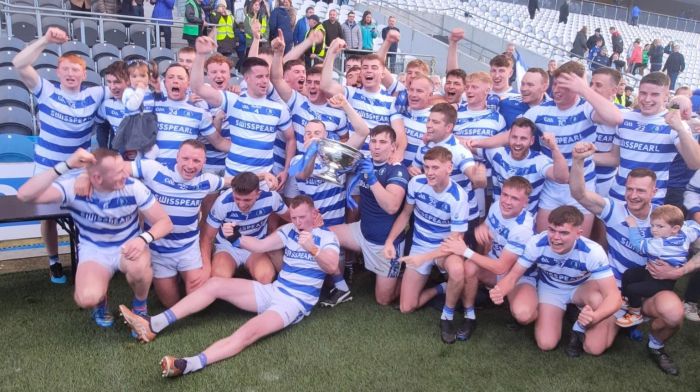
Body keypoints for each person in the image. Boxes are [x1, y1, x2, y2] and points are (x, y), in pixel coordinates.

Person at [121, 195, 339, 377]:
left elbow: (330, 266)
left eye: (302, 217)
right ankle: (154, 324)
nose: (298, 222)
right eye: (294, 217)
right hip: (275, 290)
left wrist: (312, 248)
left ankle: (190, 364)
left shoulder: (327, 237)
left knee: (247, 333)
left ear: (314, 213)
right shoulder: (290, 230)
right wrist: (235, 237)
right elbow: (260, 245)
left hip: (294, 303)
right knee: (215, 284)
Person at [570, 144, 700, 375]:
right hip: (615, 291)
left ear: (654, 191)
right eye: (630, 189)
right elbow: (580, 194)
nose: (633, 195)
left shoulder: (667, 219)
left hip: (651, 292)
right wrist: (578, 161)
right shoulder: (613, 210)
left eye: (640, 190)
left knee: (673, 313)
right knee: (592, 347)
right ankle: (622, 320)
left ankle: (655, 346)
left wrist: (680, 272)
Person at [18, 148, 173, 327]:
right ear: (98, 178)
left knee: (140, 269)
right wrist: (65, 166)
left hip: (128, 245)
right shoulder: (73, 187)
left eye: (124, 168)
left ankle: (140, 307)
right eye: (120, 171)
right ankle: (100, 300)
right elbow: (24, 195)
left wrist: (143, 239)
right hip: (94, 250)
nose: (126, 173)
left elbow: (165, 222)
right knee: (86, 298)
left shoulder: (133, 187)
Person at [12, 28, 107, 285]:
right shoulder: (47, 91)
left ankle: (90, 260)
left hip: (78, 171)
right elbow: (19, 63)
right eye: (65, 69)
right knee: (49, 217)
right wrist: (45, 40)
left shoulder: (95, 95)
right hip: (46, 168)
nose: (70, 73)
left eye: (76, 70)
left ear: (84, 74)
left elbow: (123, 91)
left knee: (86, 214)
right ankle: (54, 261)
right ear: (57, 72)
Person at [490, 206, 622, 357]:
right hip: (551, 288)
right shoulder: (537, 243)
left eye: (564, 233)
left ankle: (614, 321)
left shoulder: (593, 251)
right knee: (546, 343)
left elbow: (614, 297)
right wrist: (500, 290)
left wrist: (595, 317)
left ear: (578, 233)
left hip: (582, 288)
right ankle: (572, 313)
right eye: (552, 230)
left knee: (593, 348)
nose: (555, 237)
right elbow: (513, 276)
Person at [524, 61, 623, 236]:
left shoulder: (585, 108)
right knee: (543, 238)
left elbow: (616, 118)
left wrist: (585, 89)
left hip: (583, 186)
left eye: (564, 86)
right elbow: (513, 133)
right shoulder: (540, 111)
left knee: (578, 241)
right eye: (555, 84)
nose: (557, 90)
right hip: (552, 186)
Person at [384, 146, 469, 344]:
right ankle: (442, 287)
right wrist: (389, 241)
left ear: (449, 168)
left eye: (435, 167)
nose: (429, 172)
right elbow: (405, 214)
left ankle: (447, 316)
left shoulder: (458, 196)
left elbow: (455, 242)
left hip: (445, 248)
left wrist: (423, 258)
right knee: (406, 307)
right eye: (426, 166)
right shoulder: (416, 183)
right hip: (420, 245)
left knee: (457, 269)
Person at [191, 37, 295, 190]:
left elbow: (291, 139)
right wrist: (200, 55)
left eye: (266, 76)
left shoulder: (279, 109)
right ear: (246, 78)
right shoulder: (233, 101)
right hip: (234, 177)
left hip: (264, 181)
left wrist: (286, 171)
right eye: (259, 77)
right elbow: (198, 88)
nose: (264, 81)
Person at [445, 176, 538, 333]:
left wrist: (465, 251)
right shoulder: (496, 206)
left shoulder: (523, 228)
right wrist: (482, 229)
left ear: (525, 203)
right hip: (496, 262)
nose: (507, 201)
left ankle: (541, 306)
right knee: (469, 268)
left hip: (518, 276)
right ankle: (470, 315)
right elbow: (487, 235)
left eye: (514, 198)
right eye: (505, 195)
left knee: (523, 315)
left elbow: (501, 268)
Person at [329, 126, 409, 305]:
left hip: (386, 243)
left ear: (393, 147)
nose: (377, 146)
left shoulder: (397, 170)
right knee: (324, 235)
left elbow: (392, 206)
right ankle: (340, 286)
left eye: (382, 142)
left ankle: (408, 276)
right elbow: (337, 163)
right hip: (361, 233)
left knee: (383, 300)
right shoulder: (366, 162)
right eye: (373, 141)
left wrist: (372, 179)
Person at [594, 72, 700, 205]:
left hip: (650, 204)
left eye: (655, 94)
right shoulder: (625, 118)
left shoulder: (674, 123)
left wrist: (680, 128)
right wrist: (577, 157)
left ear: (666, 96)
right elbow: (614, 158)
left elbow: (695, 163)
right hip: (616, 198)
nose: (647, 99)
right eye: (643, 93)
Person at [321, 38, 406, 163]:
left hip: (377, 162)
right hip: (351, 159)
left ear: (382, 74)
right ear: (361, 73)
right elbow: (326, 86)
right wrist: (332, 53)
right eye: (365, 67)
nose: (369, 70)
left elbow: (399, 134)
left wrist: (398, 154)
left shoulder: (391, 101)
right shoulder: (351, 93)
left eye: (374, 67)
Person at [411, 103, 486, 240]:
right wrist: (412, 170)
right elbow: (414, 167)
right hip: (435, 215)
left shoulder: (458, 150)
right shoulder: (425, 143)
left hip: (463, 218)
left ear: (449, 127)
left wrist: (479, 177)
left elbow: (475, 178)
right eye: (428, 120)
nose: (428, 125)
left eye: (435, 122)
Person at [616, 205, 699, 327]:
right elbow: (695, 226)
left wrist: (633, 225)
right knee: (629, 274)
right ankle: (629, 300)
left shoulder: (660, 244)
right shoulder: (685, 233)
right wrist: (685, 224)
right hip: (653, 272)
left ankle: (635, 313)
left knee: (633, 289)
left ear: (675, 228)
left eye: (660, 226)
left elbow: (638, 244)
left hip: (662, 281)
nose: (654, 230)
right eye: (653, 225)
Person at [202, 171, 288, 282]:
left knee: (266, 277)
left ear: (258, 194)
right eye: (237, 199)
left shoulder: (271, 197)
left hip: (255, 245)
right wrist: (206, 267)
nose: (241, 204)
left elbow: (291, 218)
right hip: (227, 247)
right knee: (218, 277)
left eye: (247, 200)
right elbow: (207, 238)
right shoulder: (223, 202)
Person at [481, 118, 569, 215]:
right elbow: (469, 146)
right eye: (514, 137)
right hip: (495, 217)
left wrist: (554, 148)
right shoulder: (497, 154)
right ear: (508, 137)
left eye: (523, 138)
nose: (518, 142)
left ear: (532, 141)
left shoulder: (539, 161)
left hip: (524, 223)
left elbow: (562, 178)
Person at [96, 61, 129, 151]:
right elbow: (102, 126)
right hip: (120, 158)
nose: (112, 87)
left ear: (128, 81)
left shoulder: (143, 101)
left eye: (116, 82)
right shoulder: (106, 104)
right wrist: (104, 151)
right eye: (109, 82)